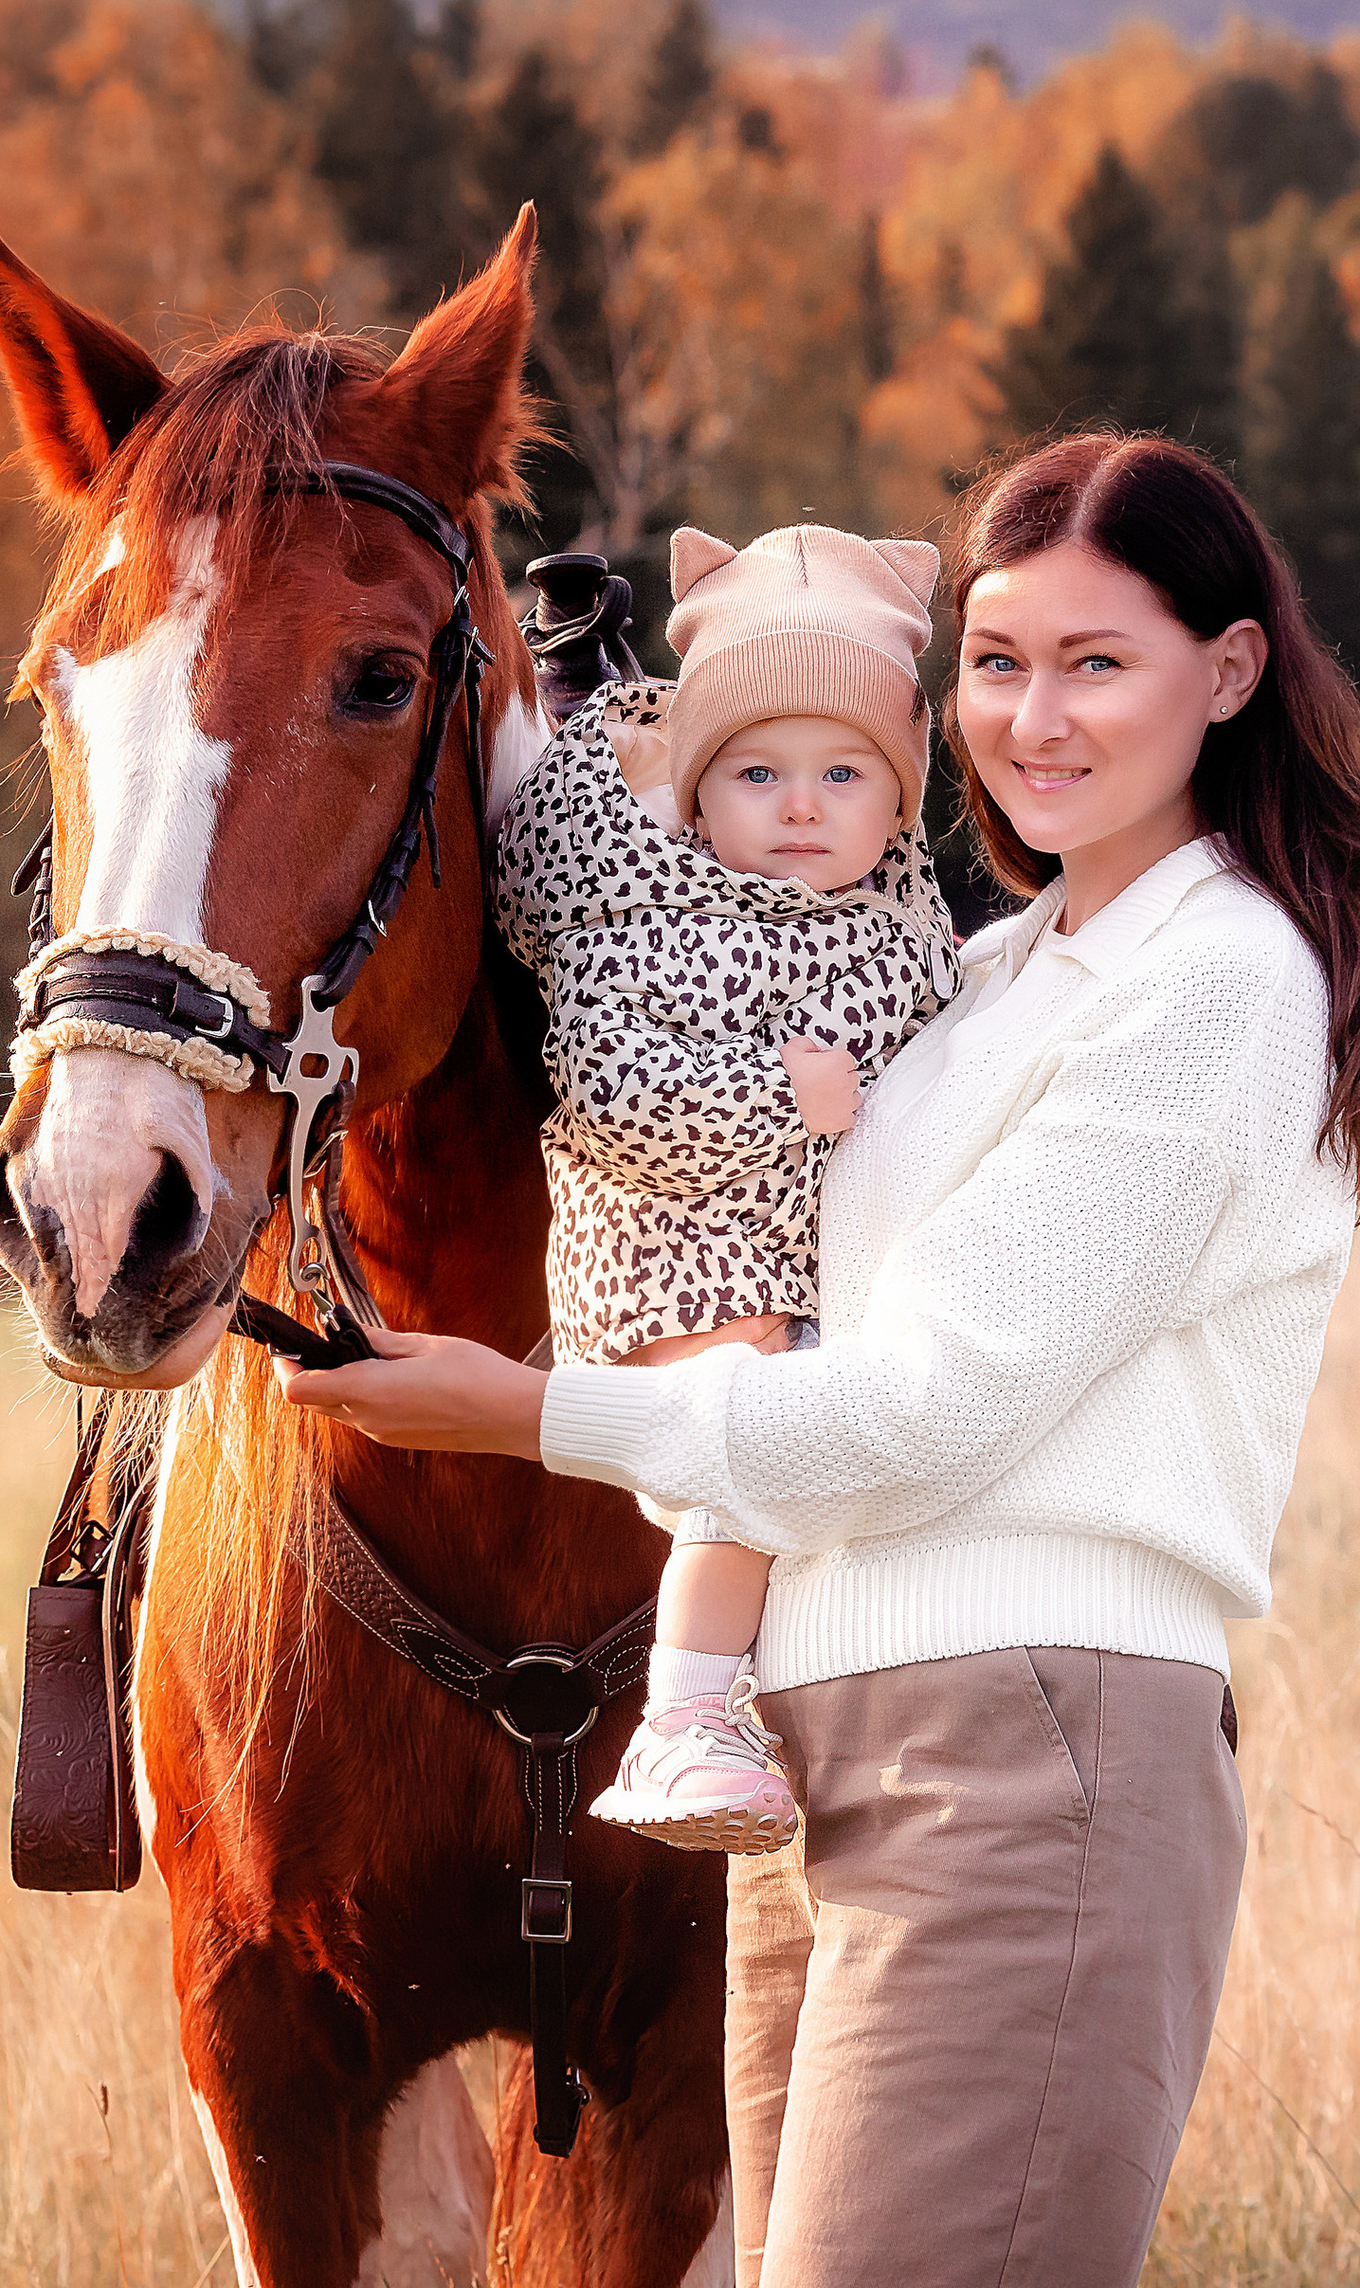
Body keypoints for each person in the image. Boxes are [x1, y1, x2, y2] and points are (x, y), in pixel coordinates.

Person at [284, 432, 1360, 2288]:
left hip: (1023, 1751)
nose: (1030, 718)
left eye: (1093, 662)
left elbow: (924, 1409)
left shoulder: (1209, 988)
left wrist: (536, 1410)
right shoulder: (981, 975)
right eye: (996, 661)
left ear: (1224, 673)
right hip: (828, 1755)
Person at [493, 523, 956, 1856]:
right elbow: (605, 1088)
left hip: (807, 1267)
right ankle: (682, 1719)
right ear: (697, 800)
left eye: (842, 773)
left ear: (899, 797)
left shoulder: (912, 934)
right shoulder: (643, 915)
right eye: (757, 773)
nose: (801, 805)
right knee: (757, 1416)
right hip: (668, 1263)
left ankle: (804, 1703)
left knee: (851, 1436)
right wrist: (776, 1096)